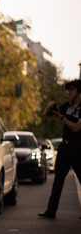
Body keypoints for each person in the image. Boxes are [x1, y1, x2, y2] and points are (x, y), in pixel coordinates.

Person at [38, 79, 81, 219]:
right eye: (67, 90)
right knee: (58, 180)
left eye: (71, 90)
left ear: (78, 90)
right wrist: (49, 106)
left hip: (77, 147)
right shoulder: (67, 106)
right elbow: (47, 113)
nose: (68, 92)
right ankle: (51, 211)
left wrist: (62, 117)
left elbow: (76, 128)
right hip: (64, 147)